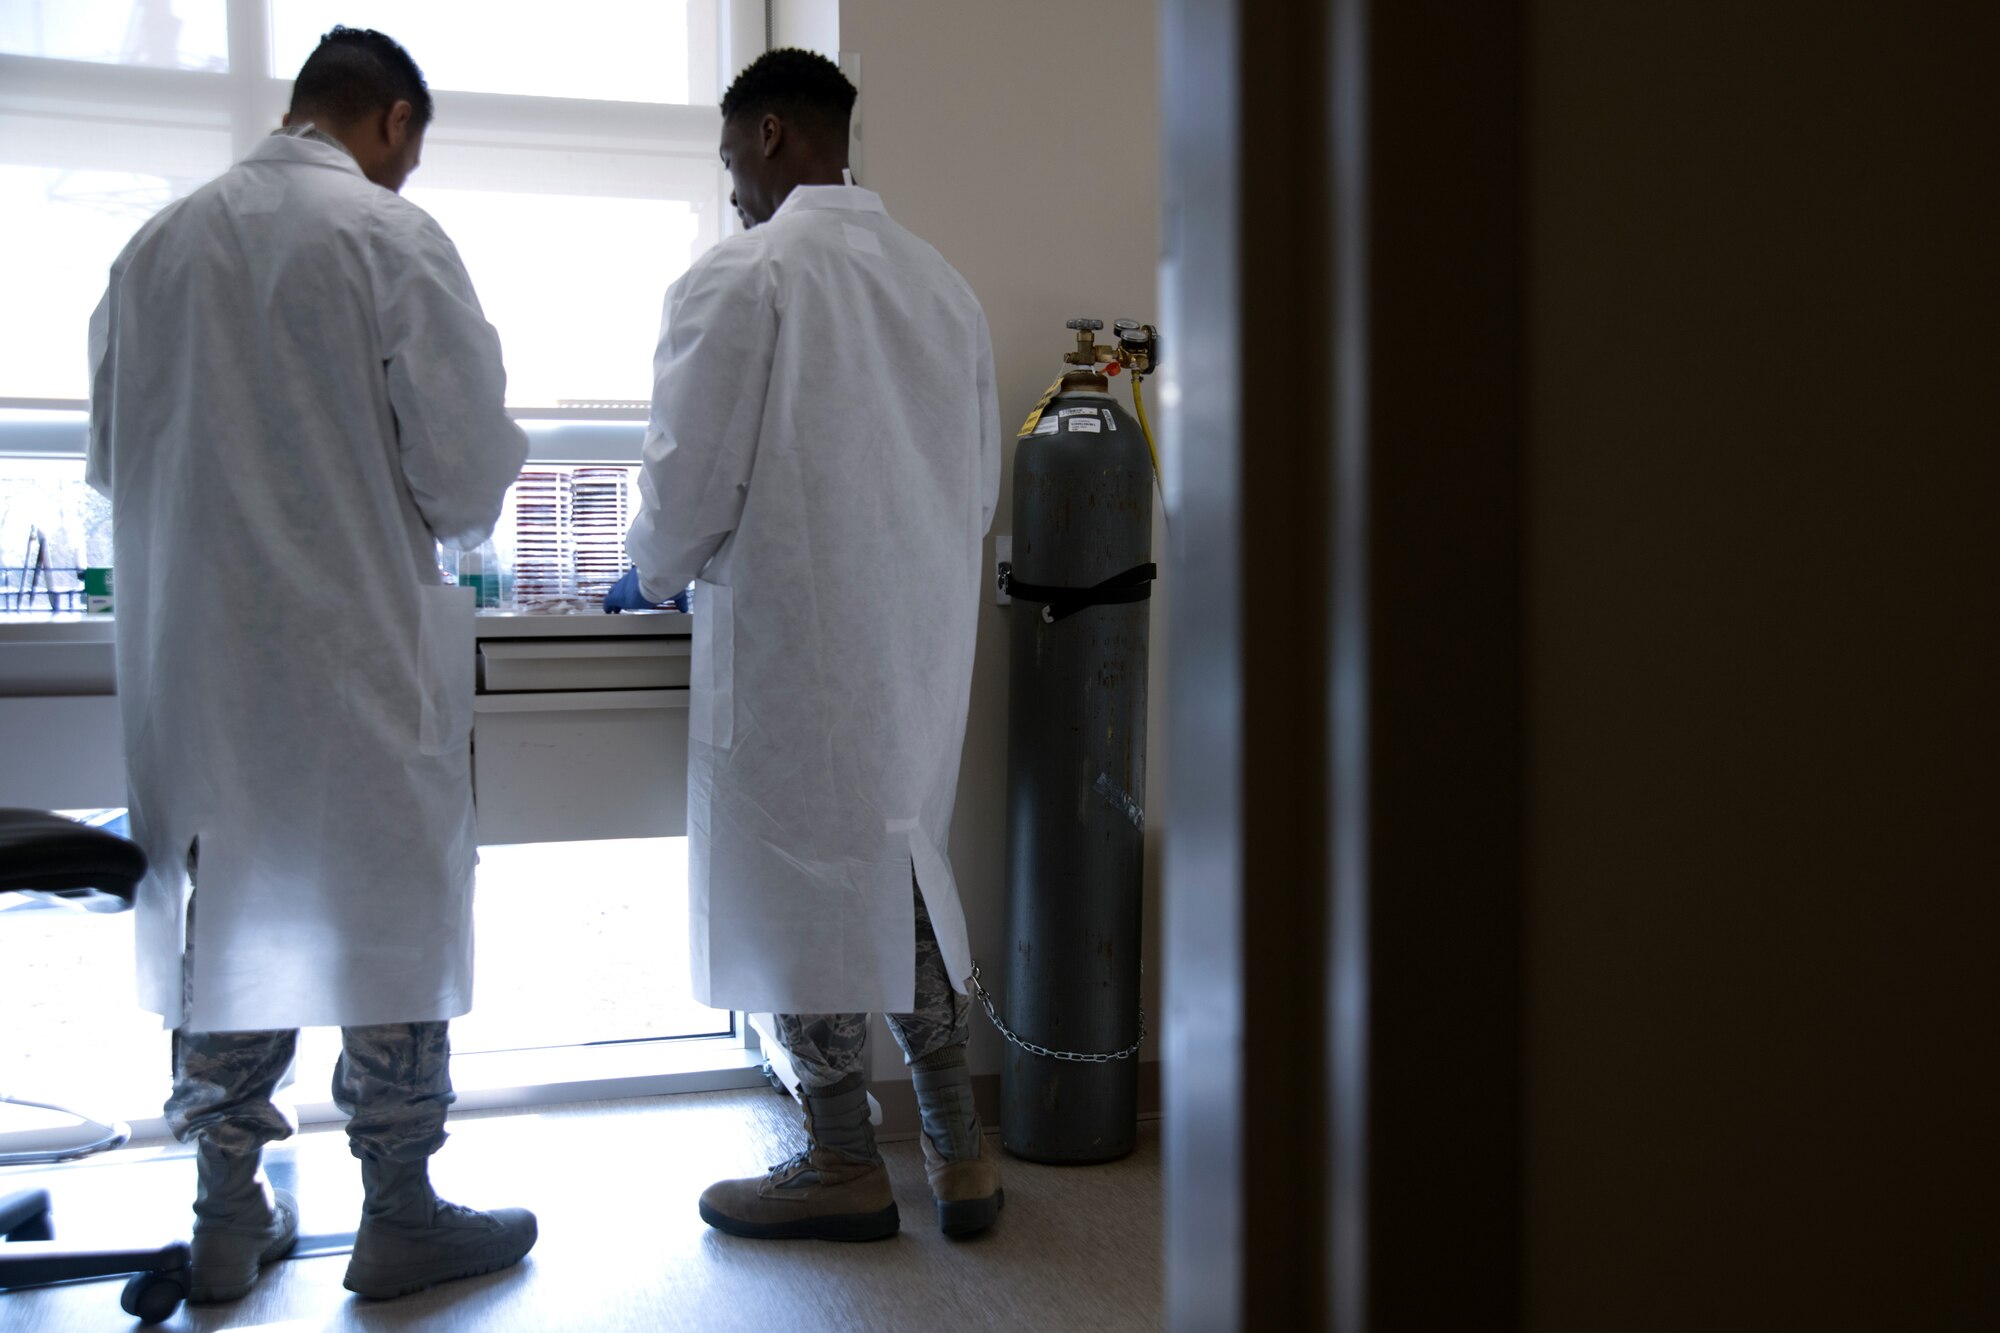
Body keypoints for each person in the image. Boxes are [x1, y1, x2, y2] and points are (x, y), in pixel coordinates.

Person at [86, 27, 537, 1303]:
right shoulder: (390, 239)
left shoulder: (153, 250)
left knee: (221, 919)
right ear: (393, 121)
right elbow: (460, 482)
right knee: (385, 916)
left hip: (200, 669)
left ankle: (226, 1218)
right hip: (354, 656)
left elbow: (115, 467)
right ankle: (398, 1211)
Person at [607, 48, 1004, 1240]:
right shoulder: (943, 289)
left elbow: (690, 478)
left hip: (792, 641)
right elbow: (976, 486)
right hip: (914, 642)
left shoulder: (743, 275)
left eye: (731, 157)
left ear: (772, 134)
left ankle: (840, 1160)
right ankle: (961, 1155)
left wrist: (650, 572)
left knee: (794, 890)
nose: (729, 184)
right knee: (902, 875)